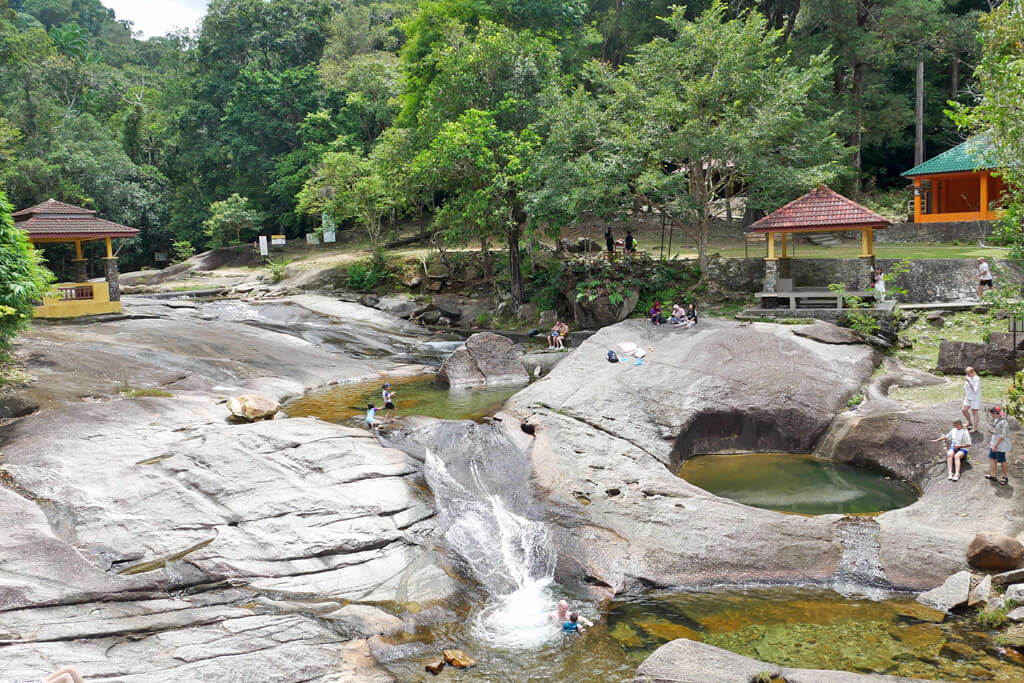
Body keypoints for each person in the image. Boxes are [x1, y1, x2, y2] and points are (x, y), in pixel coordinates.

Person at [986, 405, 1010, 485]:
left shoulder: (1003, 422)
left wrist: (996, 446)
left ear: (995, 413)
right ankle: (993, 475)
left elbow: (1003, 436)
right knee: (991, 458)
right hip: (994, 444)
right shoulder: (997, 419)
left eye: (992, 414)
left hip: (1000, 445)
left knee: (1002, 460)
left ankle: (1005, 477)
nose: (991, 416)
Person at [962, 367, 982, 431]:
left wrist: (969, 382)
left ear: (972, 372)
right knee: (964, 410)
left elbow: (974, 390)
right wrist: (964, 395)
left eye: (968, 373)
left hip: (975, 398)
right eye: (966, 373)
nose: (967, 375)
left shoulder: (977, 379)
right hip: (968, 397)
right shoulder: (968, 377)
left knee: (974, 412)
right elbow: (966, 387)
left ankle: (975, 427)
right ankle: (969, 422)